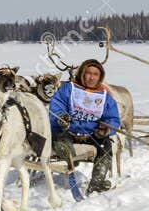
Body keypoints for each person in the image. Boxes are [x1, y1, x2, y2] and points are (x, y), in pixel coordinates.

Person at [48, 58, 122, 192]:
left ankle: (97, 182)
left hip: (92, 134)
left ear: (100, 77)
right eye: (88, 73)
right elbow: (56, 107)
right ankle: (69, 161)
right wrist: (61, 118)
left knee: (105, 146)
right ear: (82, 73)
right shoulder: (69, 89)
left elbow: (113, 119)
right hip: (67, 131)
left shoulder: (104, 96)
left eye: (96, 74)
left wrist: (106, 129)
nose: (92, 77)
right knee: (61, 141)